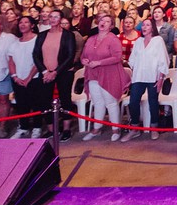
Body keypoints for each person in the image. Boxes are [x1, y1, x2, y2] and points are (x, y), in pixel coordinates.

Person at [81, 14, 130, 142]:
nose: (103, 22)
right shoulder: (91, 39)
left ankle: (116, 129)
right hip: (93, 74)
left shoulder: (113, 39)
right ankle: (96, 128)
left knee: (111, 103)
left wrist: (99, 63)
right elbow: (83, 55)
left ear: (111, 25)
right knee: (97, 102)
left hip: (109, 74)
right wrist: (84, 60)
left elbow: (117, 57)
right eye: (102, 20)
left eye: (107, 21)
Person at [121, 18, 169, 141]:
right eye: (143, 25)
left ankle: (154, 128)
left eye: (147, 25)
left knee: (153, 103)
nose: (144, 27)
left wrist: (160, 79)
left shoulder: (158, 40)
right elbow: (132, 60)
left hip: (153, 76)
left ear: (152, 27)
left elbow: (163, 60)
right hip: (138, 77)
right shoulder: (138, 41)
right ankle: (135, 128)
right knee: (133, 102)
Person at [33, 10, 77, 140]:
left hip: (63, 72)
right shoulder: (41, 35)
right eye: (51, 17)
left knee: (65, 100)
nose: (52, 19)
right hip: (45, 73)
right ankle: (52, 130)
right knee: (44, 100)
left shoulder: (68, 35)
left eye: (56, 17)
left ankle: (67, 129)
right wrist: (45, 71)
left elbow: (70, 56)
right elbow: (35, 55)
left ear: (61, 19)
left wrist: (56, 72)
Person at [8, 16, 40, 138]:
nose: (22, 24)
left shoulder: (37, 40)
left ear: (32, 25)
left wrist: (29, 78)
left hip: (35, 78)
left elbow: (39, 61)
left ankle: (37, 127)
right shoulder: (15, 42)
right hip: (18, 79)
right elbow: (11, 61)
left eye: (26, 22)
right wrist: (15, 77)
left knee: (36, 103)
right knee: (21, 104)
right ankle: (23, 127)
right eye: (20, 22)